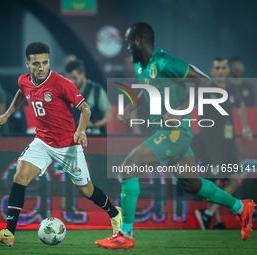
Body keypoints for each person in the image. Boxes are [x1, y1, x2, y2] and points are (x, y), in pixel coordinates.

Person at [94, 22, 255, 250]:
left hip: (175, 133)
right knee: (192, 183)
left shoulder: (165, 61)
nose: (128, 49)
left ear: (139, 41)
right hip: (163, 131)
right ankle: (241, 207)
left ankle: (125, 234)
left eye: (129, 43)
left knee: (129, 166)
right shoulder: (142, 66)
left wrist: (180, 111)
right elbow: (147, 88)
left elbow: (205, 81)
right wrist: (130, 108)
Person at [0, 42, 121, 247]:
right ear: (28, 64)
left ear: (49, 61)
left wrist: (81, 130)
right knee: (20, 176)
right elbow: (22, 92)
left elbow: (85, 109)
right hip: (42, 141)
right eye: (36, 64)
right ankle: (9, 232)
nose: (41, 67)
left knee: (86, 190)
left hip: (68, 144)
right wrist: (6, 115)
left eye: (45, 62)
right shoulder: (24, 81)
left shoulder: (61, 82)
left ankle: (114, 213)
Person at [195, 57, 253, 230]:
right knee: (216, 182)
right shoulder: (205, 87)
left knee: (235, 179)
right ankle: (217, 221)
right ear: (212, 71)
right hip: (210, 143)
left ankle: (208, 214)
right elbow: (191, 103)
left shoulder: (233, 88)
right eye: (217, 68)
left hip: (229, 143)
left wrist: (246, 127)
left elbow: (241, 105)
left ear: (228, 70)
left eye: (223, 67)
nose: (220, 71)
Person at [65, 59, 112, 135]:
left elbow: (108, 117)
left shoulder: (97, 90)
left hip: (94, 136)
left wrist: (93, 125)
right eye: (69, 78)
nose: (72, 81)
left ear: (83, 74)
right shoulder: (65, 92)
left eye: (75, 78)